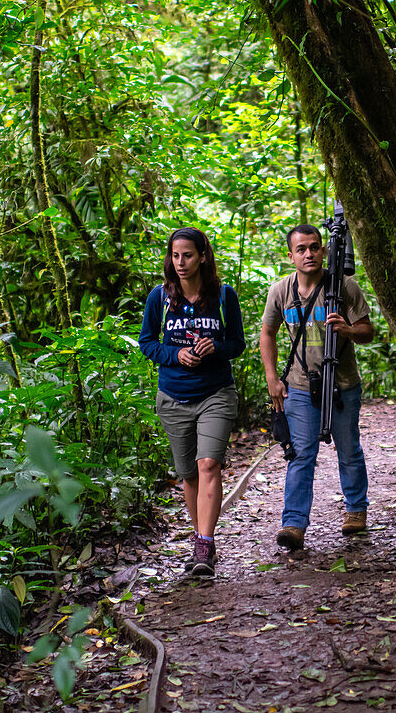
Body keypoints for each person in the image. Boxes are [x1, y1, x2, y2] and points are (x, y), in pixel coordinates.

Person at [259, 222, 374, 551]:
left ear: (324, 250)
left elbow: (368, 331)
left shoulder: (344, 287)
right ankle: (293, 523)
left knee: (348, 449)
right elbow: (267, 333)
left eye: (314, 247)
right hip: (298, 385)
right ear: (291, 255)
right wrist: (272, 378)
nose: (308, 254)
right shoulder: (281, 291)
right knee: (300, 454)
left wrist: (348, 330)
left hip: (342, 384)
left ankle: (355, 510)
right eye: (301, 249)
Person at [140, 227, 245, 576]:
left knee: (208, 466)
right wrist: (176, 353)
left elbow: (237, 344)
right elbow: (147, 344)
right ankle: (200, 536)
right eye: (175, 255)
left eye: (187, 255)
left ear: (202, 256)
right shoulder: (159, 297)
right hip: (172, 397)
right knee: (189, 475)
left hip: (215, 393)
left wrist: (215, 348)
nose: (181, 262)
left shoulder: (224, 295)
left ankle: (204, 545)